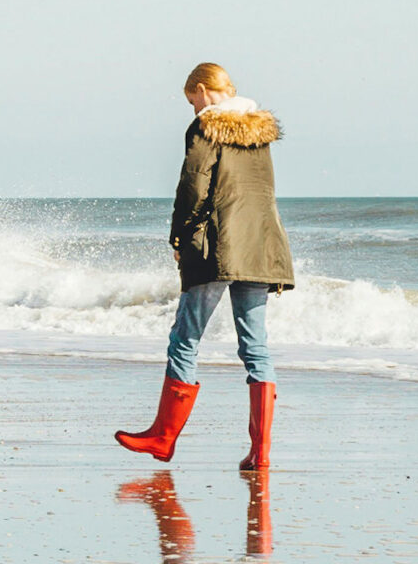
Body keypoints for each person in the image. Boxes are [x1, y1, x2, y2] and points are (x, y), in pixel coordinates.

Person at [115, 63, 294, 470]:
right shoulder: (258, 132)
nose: (192, 107)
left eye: (191, 98)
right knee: (255, 346)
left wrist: (180, 238)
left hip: (217, 245)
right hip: (261, 245)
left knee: (185, 335)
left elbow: (194, 186)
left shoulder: (206, 126)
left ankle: (163, 438)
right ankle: (260, 453)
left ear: (202, 89)